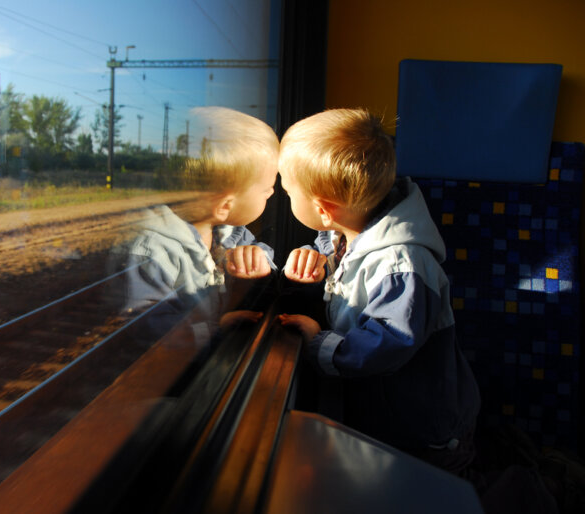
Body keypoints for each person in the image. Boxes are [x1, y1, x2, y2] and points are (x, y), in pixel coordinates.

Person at [277, 108, 481, 477]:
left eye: (289, 192)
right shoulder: (345, 236)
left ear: (324, 209)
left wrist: (317, 341)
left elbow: (389, 342)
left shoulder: (402, 265)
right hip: (382, 414)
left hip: (418, 433)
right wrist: (314, 271)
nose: (285, 197)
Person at [119, 106, 279, 343]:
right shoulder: (153, 252)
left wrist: (261, 265)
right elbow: (149, 328)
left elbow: (265, 266)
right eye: (266, 191)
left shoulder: (229, 233)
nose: (272, 192)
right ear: (225, 206)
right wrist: (214, 329)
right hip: (175, 371)